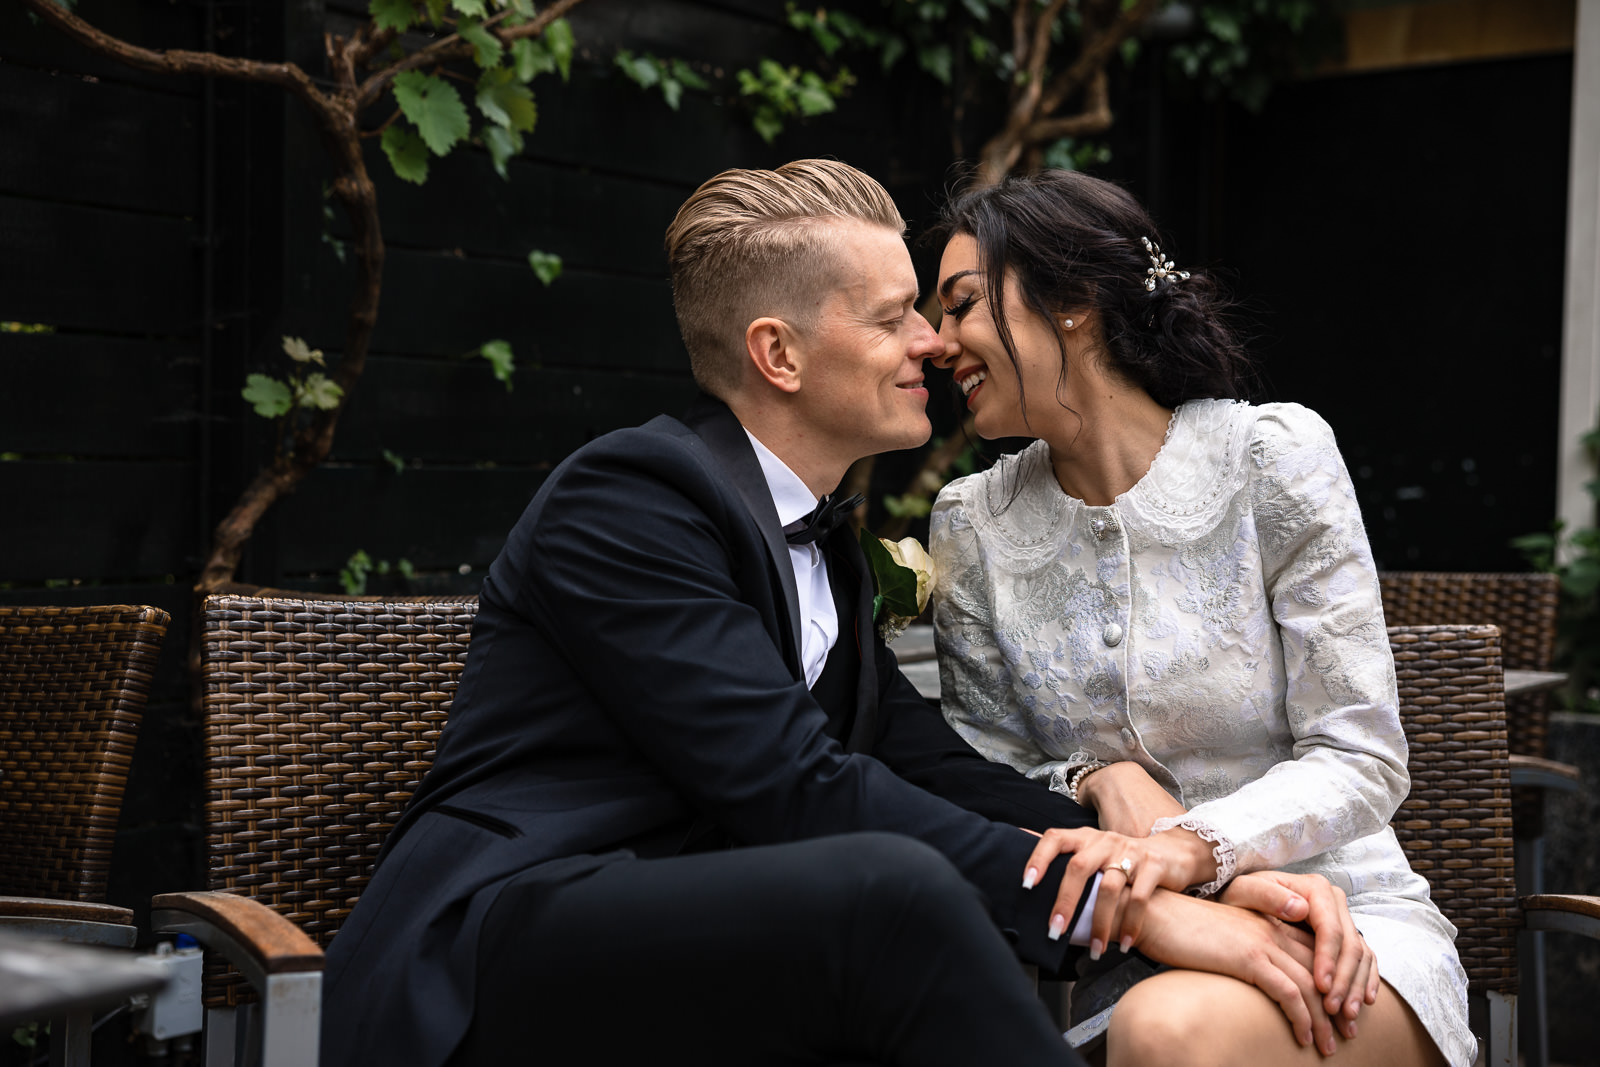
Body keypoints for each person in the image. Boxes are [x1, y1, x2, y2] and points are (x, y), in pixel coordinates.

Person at [322, 159, 1374, 1067]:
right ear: (778, 355)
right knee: (890, 893)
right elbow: (798, 788)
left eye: (929, 308)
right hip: (498, 941)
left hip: (707, 925)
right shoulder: (629, 498)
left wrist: (1170, 863)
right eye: (894, 316)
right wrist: (1138, 910)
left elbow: (925, 762)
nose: (931, 341)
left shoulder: (826, 539)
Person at [926, 168, 1474, 1067]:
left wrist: (1192, 845)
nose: (938, 342)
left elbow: (1362, 754)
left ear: (1071, 304)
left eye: (961, 305)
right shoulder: (970, 523)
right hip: (1139, 940)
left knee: (1168, 1033)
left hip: (1344, 926)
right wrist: (1092, 776)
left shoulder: (1271, 459)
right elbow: (986, 769)